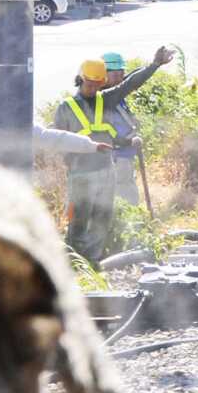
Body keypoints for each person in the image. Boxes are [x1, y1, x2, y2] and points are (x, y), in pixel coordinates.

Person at [52, 46, 174, 260]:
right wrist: (70, 166)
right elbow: (59, 141)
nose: (92, 89)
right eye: (89, 84)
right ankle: (74, 260)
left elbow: (130, 84)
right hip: (80, 175)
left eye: (96, 85)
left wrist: (155, 64)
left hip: (106, 170)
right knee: (77, 218)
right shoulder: (65, 107)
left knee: (102, 217)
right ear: (80, 80)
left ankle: (94, 259)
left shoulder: (105, 99)